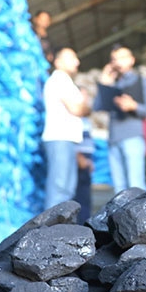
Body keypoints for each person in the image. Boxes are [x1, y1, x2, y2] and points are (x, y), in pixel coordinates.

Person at [97, 44, 146, 194]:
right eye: (114, 59)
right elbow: (97, 106)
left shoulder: (140, 81)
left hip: (132, 138)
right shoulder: (111, 82)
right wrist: (104, 84)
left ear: (131, 60)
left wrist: (133, 106)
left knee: (136, 184)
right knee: (119, 187)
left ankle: (143, 210)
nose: (117, 62)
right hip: (113, 139)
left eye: (122, 58)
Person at [42, 47, 92, 210]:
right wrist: (84, 107)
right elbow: (77, 109)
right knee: (59, 188)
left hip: (67, 140)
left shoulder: (67, 82)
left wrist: (83, 107)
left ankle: (61, 224)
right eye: (71, 58)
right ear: (58, 62)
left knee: (67, 189)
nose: (77, 62)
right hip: (59, 138)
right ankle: (51, 225)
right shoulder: (59, 80)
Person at [74, 113, 95, 224]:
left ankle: (84, 224)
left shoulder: (85, 118)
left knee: (85, 197)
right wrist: (78, 155)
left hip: (86, 155)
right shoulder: (75, 113)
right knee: (79, 196)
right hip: (79, 155)